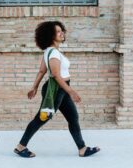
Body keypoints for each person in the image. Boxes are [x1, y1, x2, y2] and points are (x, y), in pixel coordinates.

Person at [14, 21, 100, 158]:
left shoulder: (50, 51)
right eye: (58, 31)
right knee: (41, 119)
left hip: (61, 89)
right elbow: (56, 76)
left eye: (62, 31)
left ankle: (82, 148)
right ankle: (20, 147)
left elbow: (42, 71)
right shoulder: (53, 52)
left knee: (73, 117)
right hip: (56, 89)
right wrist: (71, 92)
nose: (62, 33)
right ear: (50, 35)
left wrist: (34, 87)